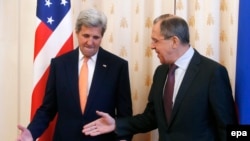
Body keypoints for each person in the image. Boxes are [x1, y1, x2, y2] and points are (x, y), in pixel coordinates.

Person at [82, 14, 238, 141]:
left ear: (174, 42)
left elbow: (228, 127)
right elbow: (151, 117)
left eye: (156, 40)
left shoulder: (212, 73)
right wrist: (116, 124)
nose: (151, 46)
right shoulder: (161, 72)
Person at [17, 8, 132, 141]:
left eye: (96, 37)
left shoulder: (118, 66)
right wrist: (31, 133)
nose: (90, 42)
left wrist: (124, 139)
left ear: (102, 36)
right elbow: (48, 109)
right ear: (77, 33)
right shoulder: (59, 64)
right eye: (86, 36)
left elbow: (125, 114)